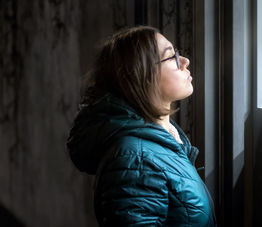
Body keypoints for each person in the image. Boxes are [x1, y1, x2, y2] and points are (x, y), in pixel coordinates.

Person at [66, 26, 216, 226]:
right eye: (172, 57)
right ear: (143, 76)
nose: (185, 61)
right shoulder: (135, 160)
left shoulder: (162, 140)